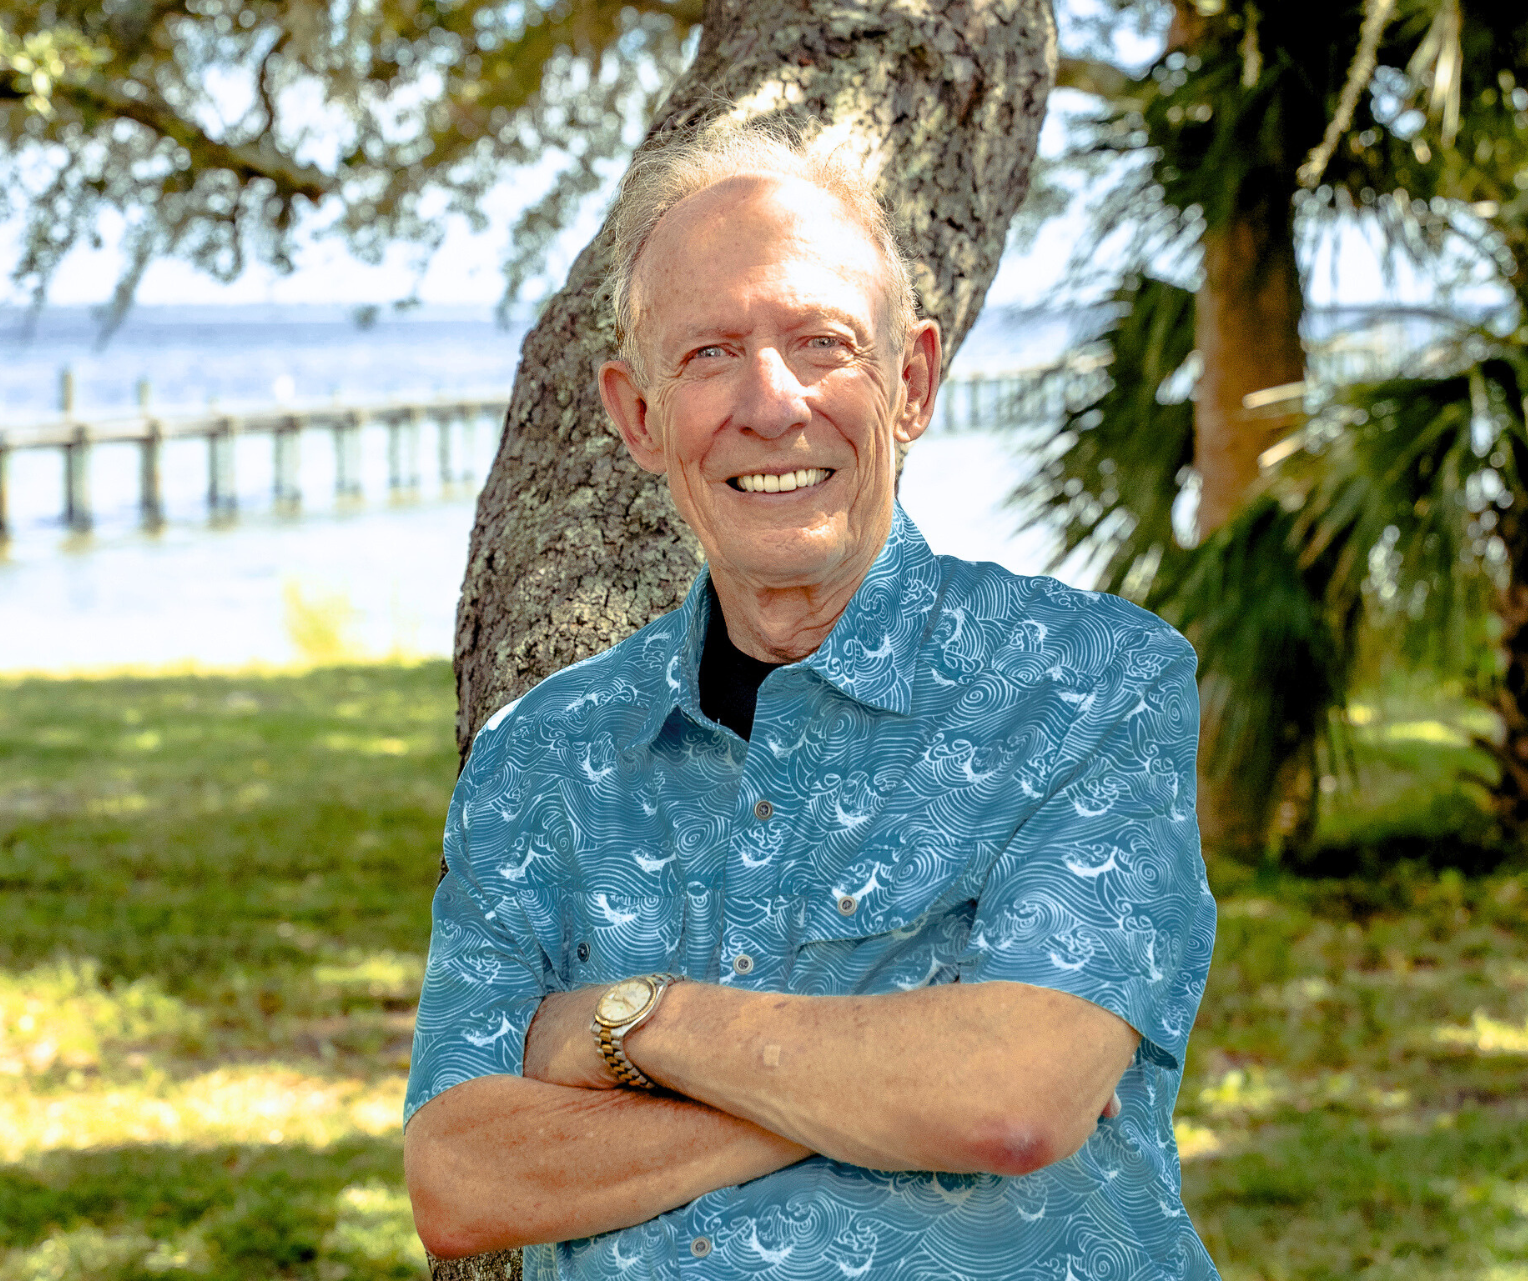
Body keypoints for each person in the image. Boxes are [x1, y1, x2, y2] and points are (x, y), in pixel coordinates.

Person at [403, 123, 1219, 1280]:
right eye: (710, 354)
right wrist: (886, 1090)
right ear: (636, 416)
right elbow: (461, 1179)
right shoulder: (539, 757)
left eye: (822, 343)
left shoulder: (1087, 682)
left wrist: (627, 1027)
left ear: (912, 382)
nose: (772, 403)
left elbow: (1013, 1100)